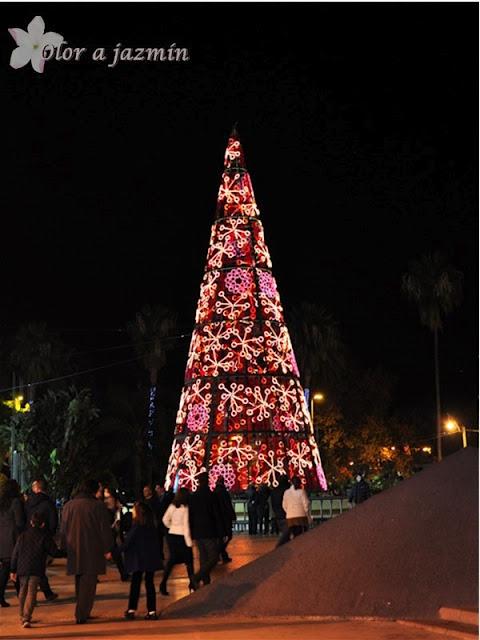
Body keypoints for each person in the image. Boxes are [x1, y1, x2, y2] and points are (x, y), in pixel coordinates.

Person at [60, 478, 112, 624]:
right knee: (89, 583)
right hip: (92, 549)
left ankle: (82, 611)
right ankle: (82, 613)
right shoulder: (97, 506)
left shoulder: (69, 506)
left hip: (74, 548)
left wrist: (64, 547)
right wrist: (108, 548)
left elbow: (63, 529)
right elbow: (104, 530)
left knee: (79, 581)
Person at [10, 512, 61, 628]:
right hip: (36, 568)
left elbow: (15, 553)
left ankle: (22, 615)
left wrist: (13, 569)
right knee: (31, 593)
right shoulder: (44, 536)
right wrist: (67, 553)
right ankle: (26, 618)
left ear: (31, 522)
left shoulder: (22, 536)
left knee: (22, 591)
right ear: (42, 524)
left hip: (22, 568)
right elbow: (54, 552)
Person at [121, 501, 161, 620]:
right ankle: (152, 610)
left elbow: (128, 543)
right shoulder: (151, 525)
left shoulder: (137, 527)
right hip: (151, 558)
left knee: (136, 583)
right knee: (150, 583)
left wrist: (114, 552)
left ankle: (132, 609)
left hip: (139, 559)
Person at [25, 478, 59, 601]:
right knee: (39, 566)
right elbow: (53, 521)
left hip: (28, 536)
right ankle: (46, 592)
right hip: (43, 537)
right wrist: (50, 534)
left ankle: (44, 592)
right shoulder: (48, 502)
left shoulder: (28, 502)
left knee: (33, 565)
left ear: (36, 488)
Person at [160, 487, 196, 595]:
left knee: (172, 561)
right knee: (189, 562)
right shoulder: (185, 508)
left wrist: (172, 527)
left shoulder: (172, 506)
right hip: (182, 537)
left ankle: (163, 583)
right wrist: (189, 542)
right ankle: (192, 584)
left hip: (172, 535)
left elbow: (164, 520)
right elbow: (186, 527)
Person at [188, 472, 223, 586]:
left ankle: (206, 582)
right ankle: (197, 577)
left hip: (198, 532)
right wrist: (220, 531)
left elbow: (191, 515)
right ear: (207, 481)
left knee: (203, 558)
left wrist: (192, 531)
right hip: (209, 530)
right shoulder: (211, 496)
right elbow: (216, 514)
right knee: (213, 557)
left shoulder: (193, 497)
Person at [0, 479, 25, 607]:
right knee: (14, 566)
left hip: (2, 538)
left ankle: (4, 596)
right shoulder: (15, 502)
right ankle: (21, 595)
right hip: (13, 538)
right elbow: (19, 521)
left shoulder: (2, 503)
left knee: (6, 566)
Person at [104, 487, 129, 581]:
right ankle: (123, 574)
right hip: (110, 529)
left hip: (112, 529)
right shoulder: (107, 502)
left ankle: (124, 574)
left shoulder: (111, 501)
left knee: (115, 552)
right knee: (114, 552)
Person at [280, 476, 311, 544]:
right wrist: (307, 514)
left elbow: (284, 505)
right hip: (301, 516)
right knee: (301, 534)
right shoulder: (302, 492)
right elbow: (306, 504)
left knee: (294, 533)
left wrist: (289, 511)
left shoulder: (286, 492)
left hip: (290, 517)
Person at [214, 477, 236, 563]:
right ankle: (220, 554)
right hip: (225, 518)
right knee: (228, 536)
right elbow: (228, 505)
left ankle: (222, 555)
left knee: (220, 538)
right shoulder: (224, 492)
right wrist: (232, 515)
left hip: (218, 519)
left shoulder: (215, 492)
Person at [143, 484, 164, 565]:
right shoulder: (146, 501)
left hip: (155, 526)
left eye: (146, 491)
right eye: (144, 491)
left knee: (157, 543)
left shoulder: (154, 501)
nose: (145, 492)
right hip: (151, 526)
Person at [270, 476, 289, 544]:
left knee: (285, 532)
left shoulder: (274, 491)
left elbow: (273, 503)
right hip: (288, 513)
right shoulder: (288, 490)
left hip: (278, 514)